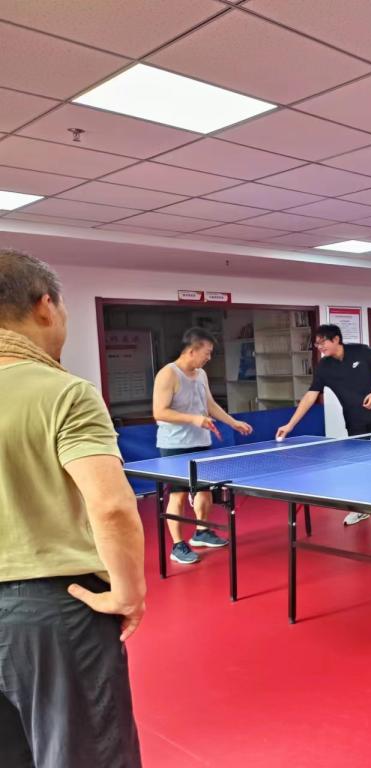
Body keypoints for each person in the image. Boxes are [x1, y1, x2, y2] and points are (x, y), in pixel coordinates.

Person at [0, 248, 145, 767]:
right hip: (51, 612)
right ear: (45, 306)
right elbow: (112, 507)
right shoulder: (65, 392)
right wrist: (128, 592)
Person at [153, 327, 253, 565]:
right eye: (207, 352)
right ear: (191, 350)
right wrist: (193, 419)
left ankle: (201, 531)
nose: (209, 357)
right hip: (175, 445)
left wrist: (233, 423)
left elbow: (209, 405)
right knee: (178, 495)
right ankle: (178, 545)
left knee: (204, 491)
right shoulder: (168, 374)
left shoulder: (201, 375)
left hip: (200, 442)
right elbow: (159, 412)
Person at [276, 324, 371, 526]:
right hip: (353, 417)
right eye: (317, 344)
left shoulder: (361, 351)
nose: (320, 347)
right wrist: (290, 425)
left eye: (323, 342)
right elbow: (311, 396)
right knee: (357, 463)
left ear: (336, 339)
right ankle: (361, 509)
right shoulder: (324, 367)